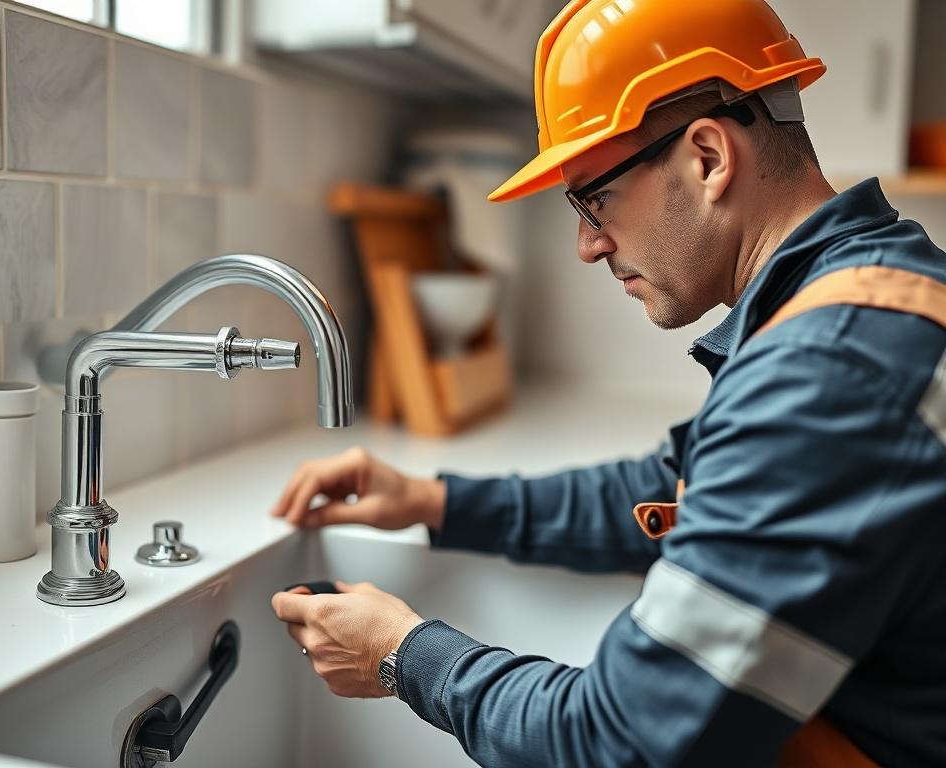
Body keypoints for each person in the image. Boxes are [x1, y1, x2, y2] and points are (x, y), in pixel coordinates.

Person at [270, 1, 946, 764]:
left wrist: (404, 655)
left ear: (709, 158)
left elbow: (622, 742)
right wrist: (437, 503)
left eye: (594, 198)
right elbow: (674, 487)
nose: (587, 245)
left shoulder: (831, 374)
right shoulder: (869, 294)